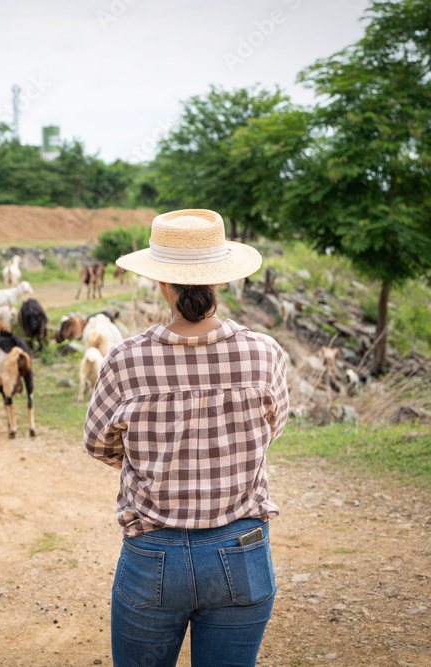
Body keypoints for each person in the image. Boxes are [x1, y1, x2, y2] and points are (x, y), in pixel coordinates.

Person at [84, 209, 289, 667]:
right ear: (220, 281)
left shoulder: (124, 360)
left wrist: (156, 460)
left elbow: (99, 444)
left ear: (161, 283)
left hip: (153, 554)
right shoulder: (265, 353)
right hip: (242, 552)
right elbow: (271, 431)